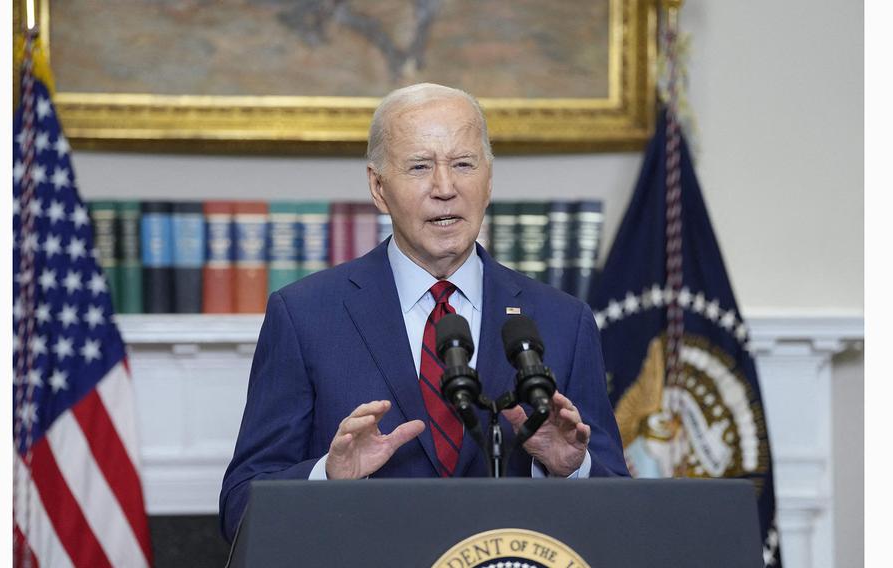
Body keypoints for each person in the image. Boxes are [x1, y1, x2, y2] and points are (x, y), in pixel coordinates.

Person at [219, 83, 629, 542]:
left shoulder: (562, 320)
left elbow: (625, 519)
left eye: (463, 164)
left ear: (488, 181)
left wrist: (569, 470)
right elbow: (240, 508)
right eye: (419, 167)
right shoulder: (304, 316)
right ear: (378, 187)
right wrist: (328, 480)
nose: (445, 188)